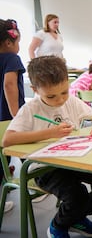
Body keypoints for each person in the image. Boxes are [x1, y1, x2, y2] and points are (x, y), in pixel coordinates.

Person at [1, 56, 92, 238]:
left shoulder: (70, 101)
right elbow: (7, 140)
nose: (60, 100)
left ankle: (74, 217)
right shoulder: (30, 109)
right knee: (76, 195)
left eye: (64, 92)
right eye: (51, 96)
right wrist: (49, 133)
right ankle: (59, 225)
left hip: (72, 160)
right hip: (43, 167)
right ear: (35, 90)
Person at [0, 18, 26, 213]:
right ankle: (35, 184)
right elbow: (9, 83)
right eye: (18, 42)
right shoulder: (11, 59)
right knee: (23, 146)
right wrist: (16, 112)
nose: (19, 47)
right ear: (9, 42)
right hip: (7, 115)